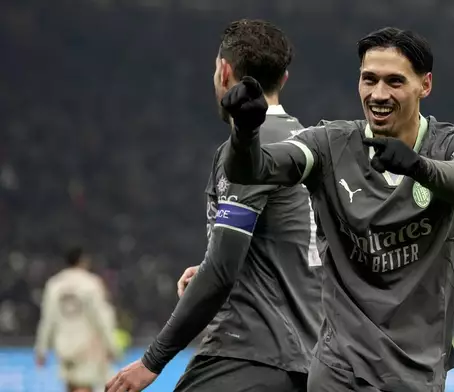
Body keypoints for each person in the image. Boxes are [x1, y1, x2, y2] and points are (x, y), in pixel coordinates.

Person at [219, 26, 454, 392]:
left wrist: (415, 165)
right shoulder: (327, 145)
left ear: (425, 85)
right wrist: (244, 134)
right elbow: (253, 169)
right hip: (339, 369)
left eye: (395, 82)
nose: (379, 94)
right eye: (369, 80)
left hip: (415, 372)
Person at [105, 19, 322, 392]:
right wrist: (213, 268)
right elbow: (288, 247)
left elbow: (222, 272)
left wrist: (152, 361)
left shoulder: (249, 149)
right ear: (283, 78)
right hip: (307, 359)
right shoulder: (309, 144)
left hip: (248, 352)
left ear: (224, 71)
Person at [35, 246, 118, 392]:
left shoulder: (54, 285)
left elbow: (47, 320)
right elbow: (102, 318)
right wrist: (111, 346)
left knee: (71, 386)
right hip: (87, 346)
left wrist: (41, 349)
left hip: (63, 346)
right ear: (83, 261)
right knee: (83, 385)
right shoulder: (91, 283)